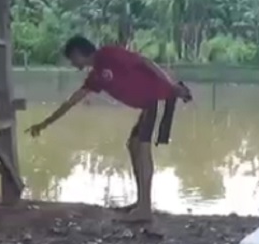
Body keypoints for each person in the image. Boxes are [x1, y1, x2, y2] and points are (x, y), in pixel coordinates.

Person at [27, 36, 191, 222]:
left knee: (142, 148)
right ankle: (141, 203)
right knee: (134, 145)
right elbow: (73, 100)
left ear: (78, 53)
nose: (73, 63)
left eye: (72, 59)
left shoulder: (108, 54)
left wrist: (171, 86)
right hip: (149, 103)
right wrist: (45, 123)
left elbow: (145, 62)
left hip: (158, 96)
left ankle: (145, 209)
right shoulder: (96, 76)